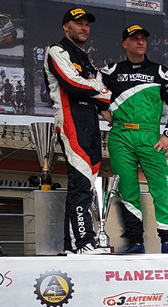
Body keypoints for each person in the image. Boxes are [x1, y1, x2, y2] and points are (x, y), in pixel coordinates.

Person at [100, 25, 168, 254]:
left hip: (151, 136)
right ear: (125, 43)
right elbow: (91, 91)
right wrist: (102, 109)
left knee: (161, 186)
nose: (140, 42)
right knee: (127, 189)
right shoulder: (110, 71)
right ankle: (135, 242)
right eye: (134, 39)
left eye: (143, 39)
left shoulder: (161, 71)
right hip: (120, 136)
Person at [44, 7, 111, 254]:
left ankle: (72, 245)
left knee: (86, 182)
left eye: (87, 24)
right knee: (81, 182)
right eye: (78, 23)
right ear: (66, 27)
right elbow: (73, 83)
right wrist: (101, 92)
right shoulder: (57, 50)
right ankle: (83, 242)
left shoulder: (85, 58)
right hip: (70, 118)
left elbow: (95, 88)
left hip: (90, 121)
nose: (84, 28)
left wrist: (102, 101)